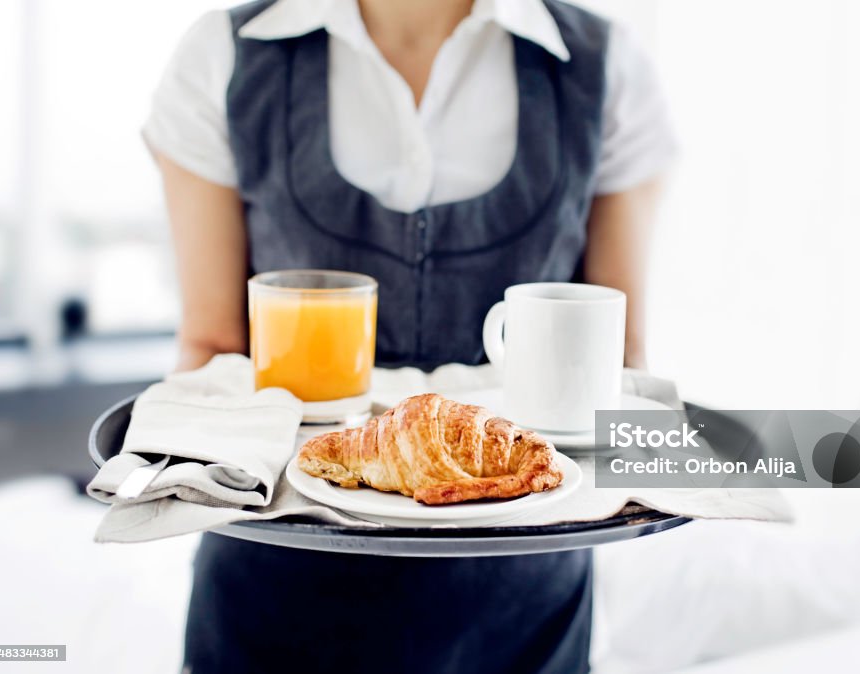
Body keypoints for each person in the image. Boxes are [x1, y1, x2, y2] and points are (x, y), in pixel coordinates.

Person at [145, 0, 675, 671]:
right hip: (273, 599)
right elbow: (212, 352)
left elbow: (618, 364)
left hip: (525, 611)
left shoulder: (604, 67)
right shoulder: (225, 53)